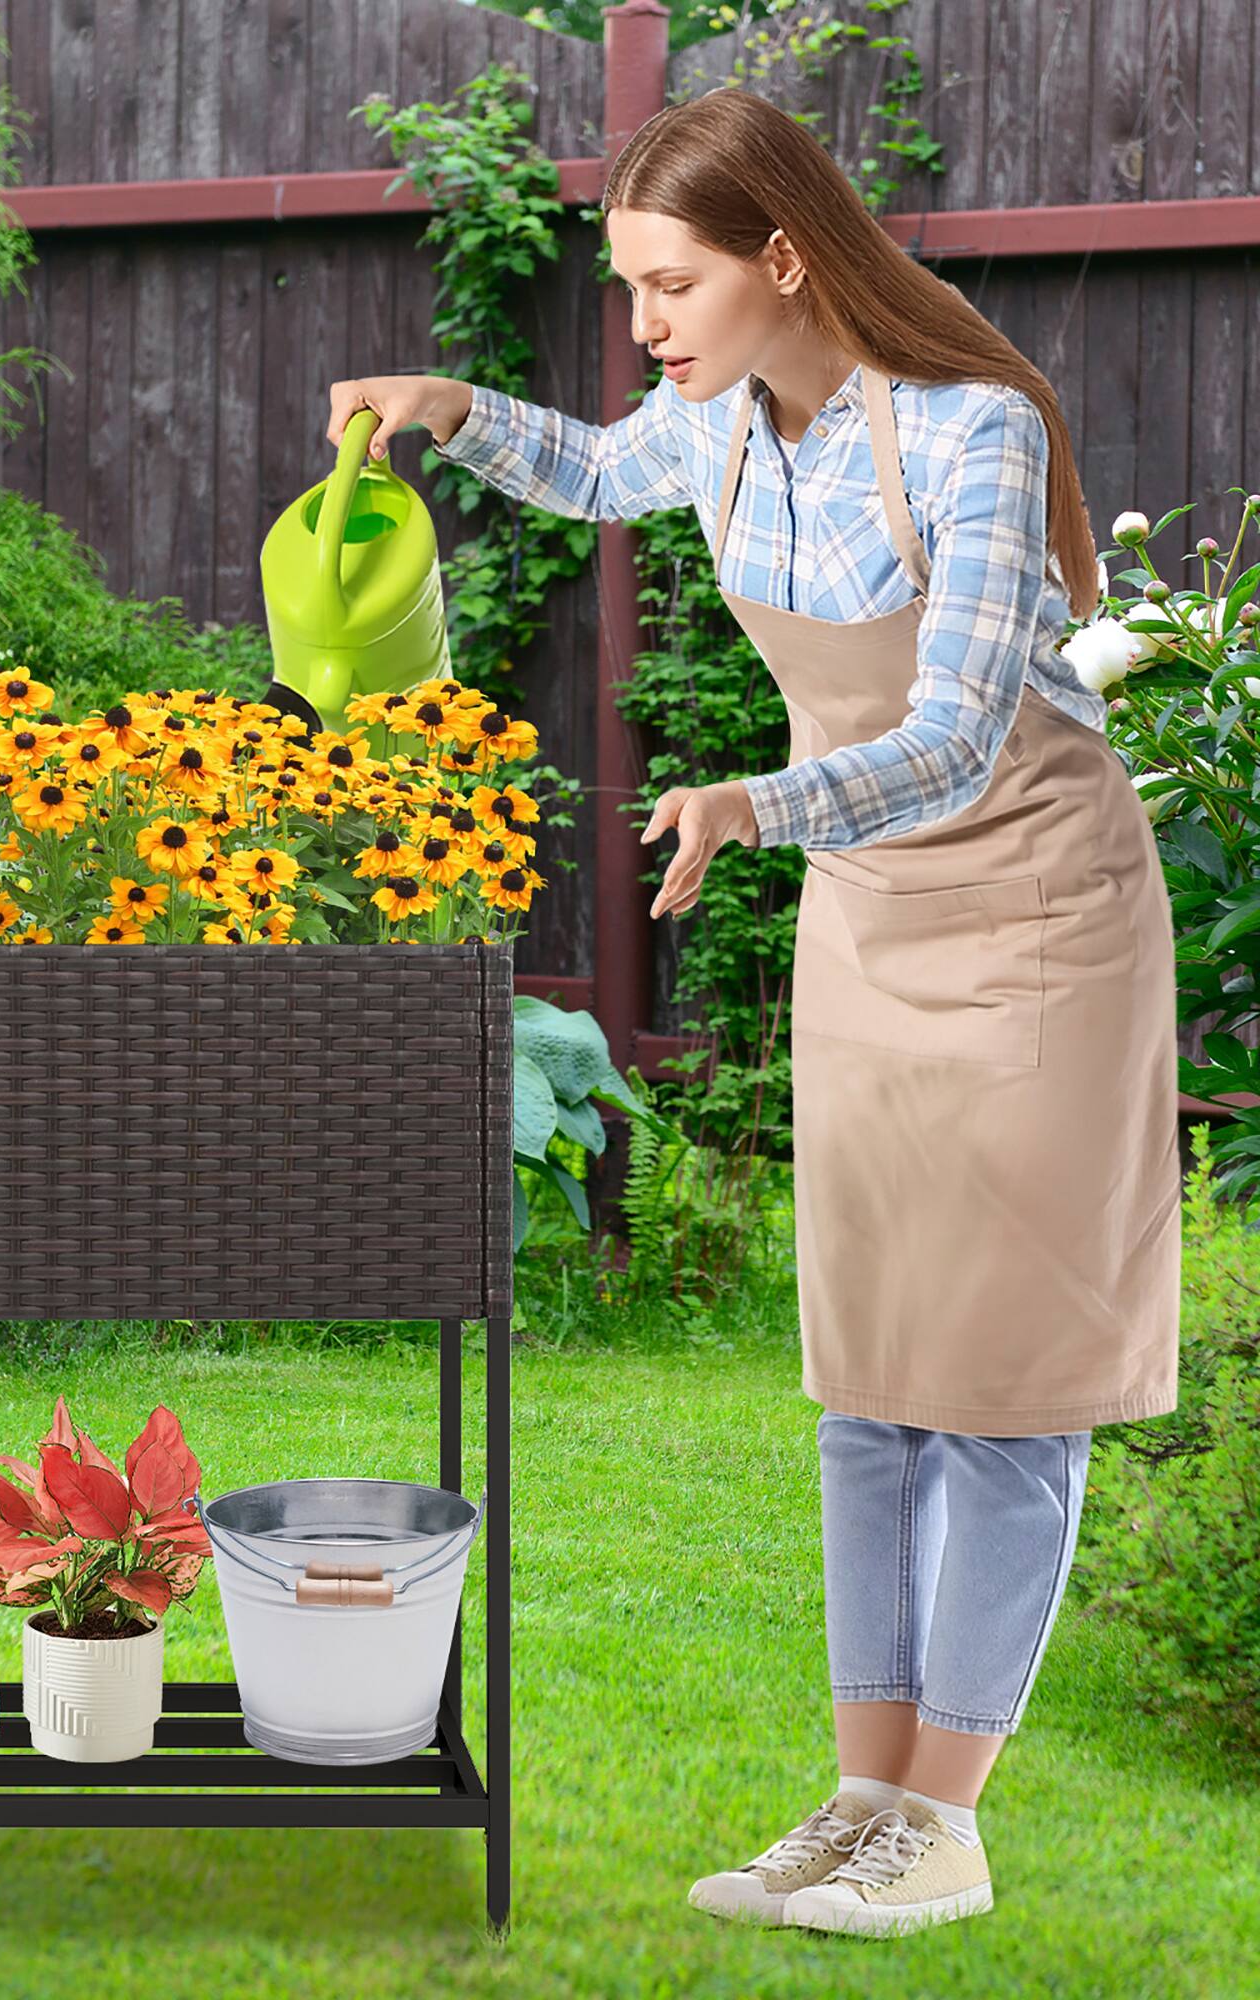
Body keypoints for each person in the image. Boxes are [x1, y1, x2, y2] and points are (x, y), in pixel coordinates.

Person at [326, 86, 1180, 1941]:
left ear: (785, 258)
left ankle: (943, 1824)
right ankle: (862, 1798)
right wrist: (448, 411)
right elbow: (598, 468)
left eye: (673, 285)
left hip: (1038, 920)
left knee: (1004, 1389)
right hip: (871, 916)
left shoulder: (969, 430)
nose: (645, 324)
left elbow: (957, 736)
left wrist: (753, 805)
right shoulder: (721, 424)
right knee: (870, 1382)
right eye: (631, 287)